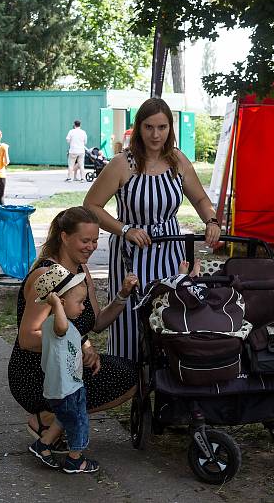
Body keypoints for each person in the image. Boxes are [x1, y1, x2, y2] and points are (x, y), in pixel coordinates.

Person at [84, 97, 222, 361]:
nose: (155, 134)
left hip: (170, 250)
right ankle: (130, 382)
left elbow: (201, 199)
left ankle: (165, 379)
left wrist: (211, 221)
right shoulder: (122, 164)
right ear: (139, 128)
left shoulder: (178, 161)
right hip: (131, 254)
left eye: (162, 127)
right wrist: (124, 230)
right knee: (129, 319)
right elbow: (91, 206)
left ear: (171, 128)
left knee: (169, 312)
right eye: (149, 127)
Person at [8, 206, 139, 446]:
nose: (91, 247)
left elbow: (97, 323)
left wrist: (122, 295)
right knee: (126, 377)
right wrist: (78, 343)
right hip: (36, 372)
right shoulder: (48, 275)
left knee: (131, 376)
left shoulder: (81, 270)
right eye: (85, 240)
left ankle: (57, 420)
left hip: (66, 365)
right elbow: (27, 338)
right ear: (65, 237)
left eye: (95, 241)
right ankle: (47, 417)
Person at [27, 265, 100, 473]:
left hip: (69, 385)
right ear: (61, 303)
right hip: (65, 388)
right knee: (78, 421)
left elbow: (74, 337)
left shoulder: (66, 323)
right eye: (80, 302)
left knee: (63, 418)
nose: (83, 307)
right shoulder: (56, 324)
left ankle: (43, 445)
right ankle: (75, 460)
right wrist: (55, 305)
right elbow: (62, 329)